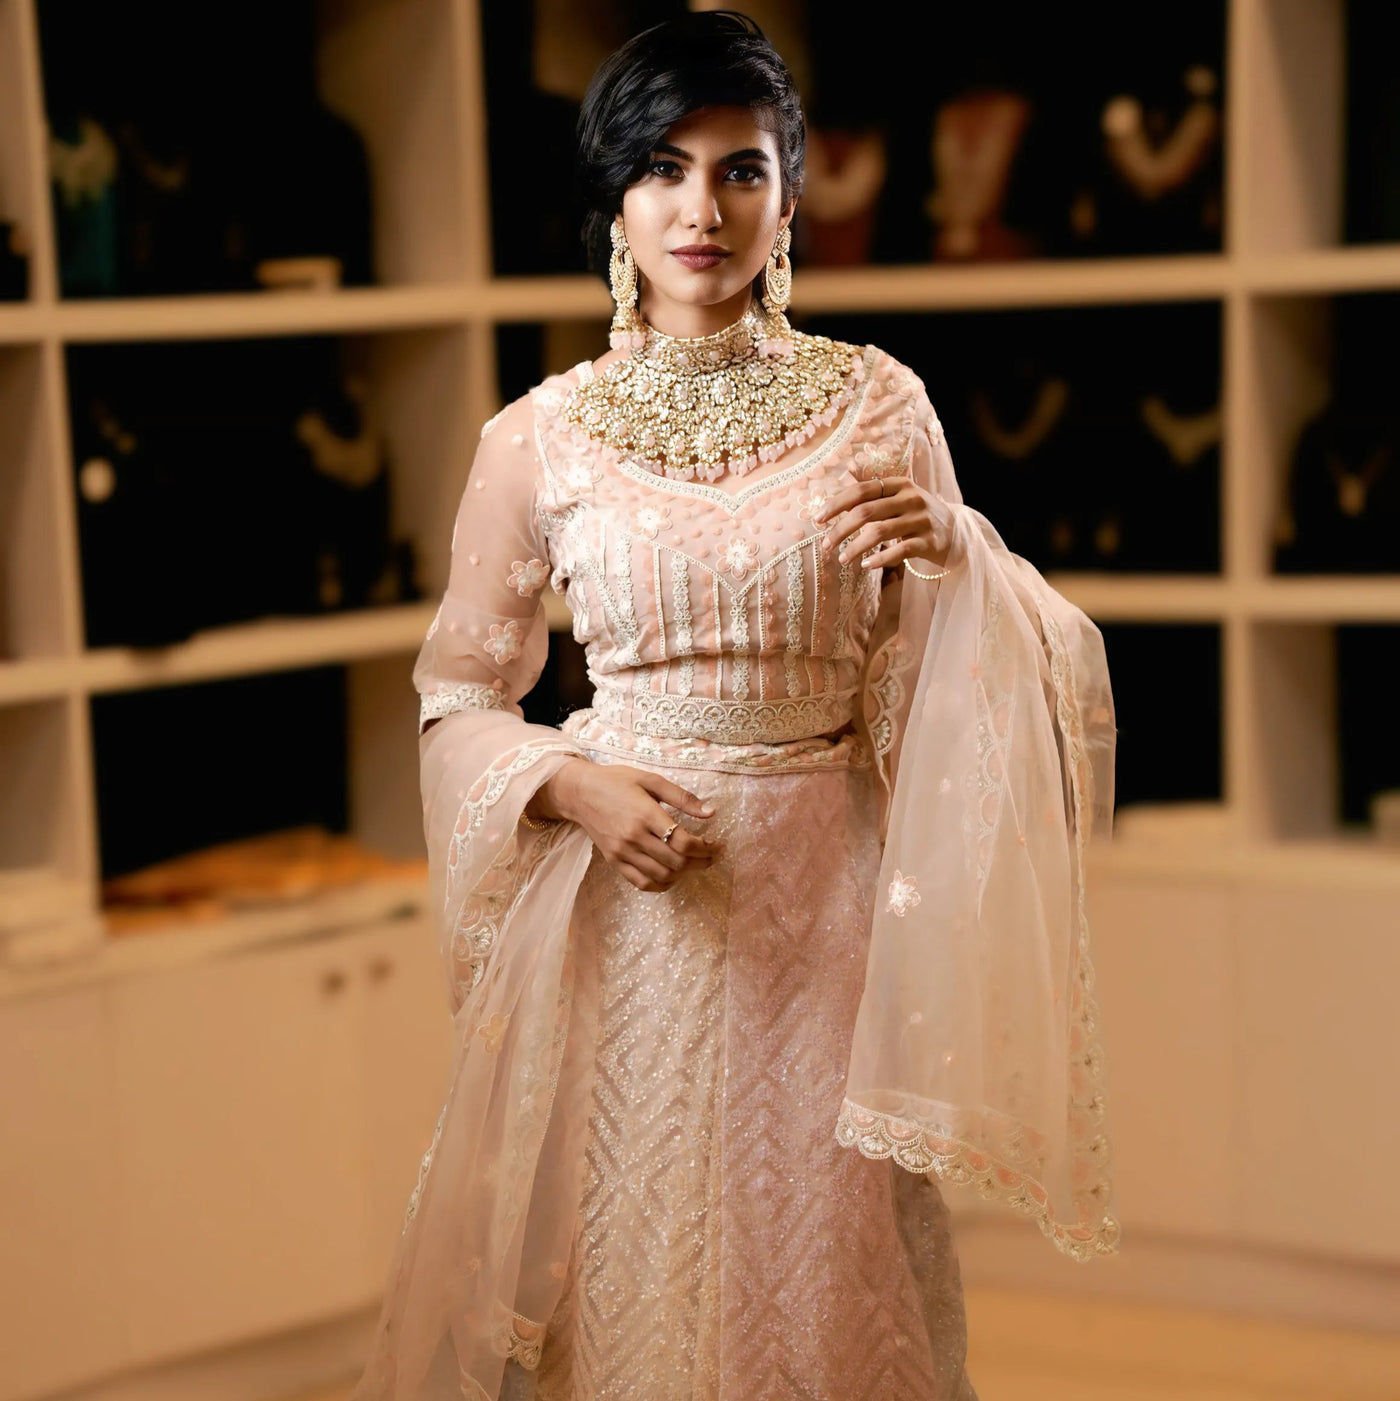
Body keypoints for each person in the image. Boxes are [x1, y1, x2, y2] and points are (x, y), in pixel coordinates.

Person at [351, 12, 1118, 1400]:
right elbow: (459, 695)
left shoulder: (883, 404)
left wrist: (960, 554)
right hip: (632, 926)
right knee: (633, 1284)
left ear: (790, 190)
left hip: (829, 924)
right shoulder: (536, 437)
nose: (701, 209)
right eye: (661, 167)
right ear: (615, 199)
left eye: (741, 168)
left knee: (829, 1287)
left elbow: (941, 693)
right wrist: (567, 783)